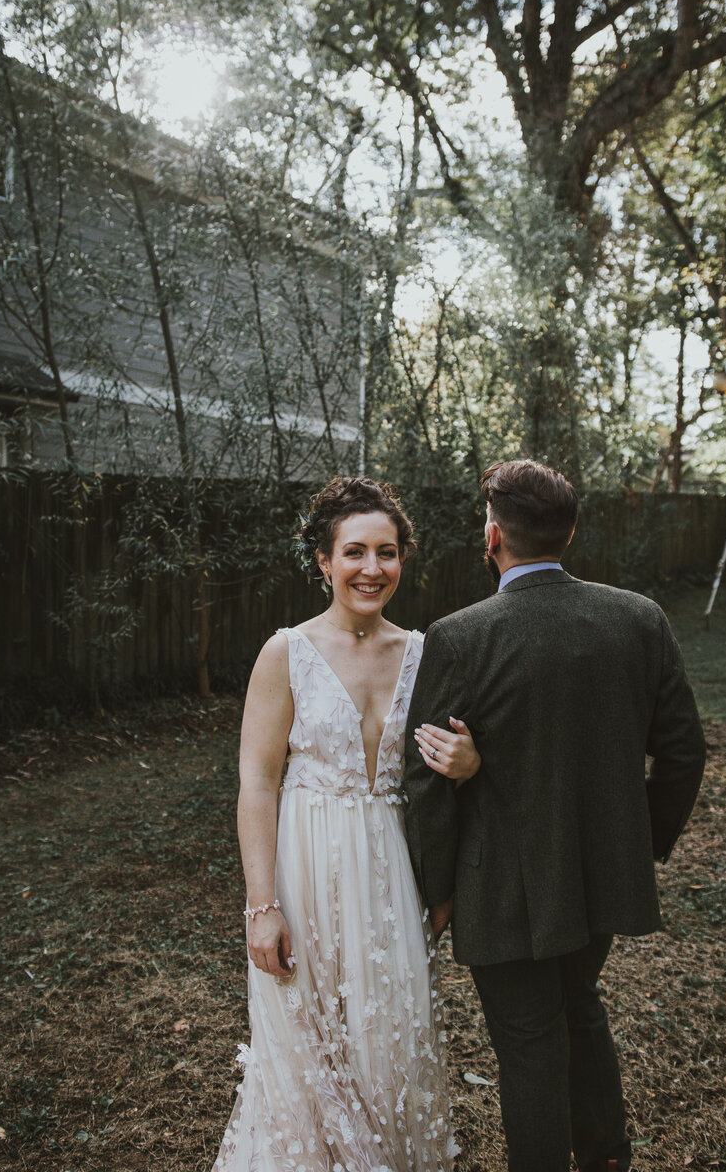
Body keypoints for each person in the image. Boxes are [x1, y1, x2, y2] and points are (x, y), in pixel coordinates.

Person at [403, 458, 706, 1172]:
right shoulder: (639, 617)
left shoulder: (459, 635)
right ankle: (606, 1159)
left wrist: (438, 889)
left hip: (500, 887)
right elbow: (685, 752)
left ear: (492, 537)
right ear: (569, 533)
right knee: (578, 1006)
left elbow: (425, 780)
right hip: (605, 875)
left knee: (532, 1042)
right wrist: (640, 845)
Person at [211, 476, 481, 1172]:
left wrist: (469, 760)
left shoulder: (426, 653)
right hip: (304, 870)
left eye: (386, 552)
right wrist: (261, 906)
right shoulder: (286, 653)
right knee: (305, 1048)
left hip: (392, 873)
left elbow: (445, 770)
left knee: (387, 1044)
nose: (371, 569)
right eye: (354, 552)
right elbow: (257, 783)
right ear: (324, 562)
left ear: (403, 559)